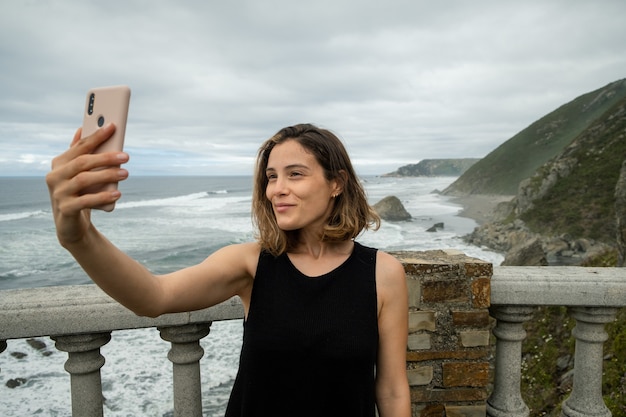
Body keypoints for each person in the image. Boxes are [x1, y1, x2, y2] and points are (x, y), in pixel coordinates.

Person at [46, 122, 411, 416]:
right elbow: (153, 297)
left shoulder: (382, 273)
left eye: (295, 174)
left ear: (337, 183)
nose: (277, 189)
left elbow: (392, 390)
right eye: (271, 177)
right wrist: (78, 237)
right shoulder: (251, 264)